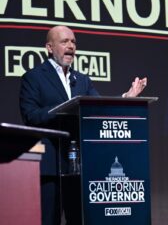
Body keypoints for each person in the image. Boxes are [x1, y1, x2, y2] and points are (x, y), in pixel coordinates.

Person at [19, 25, 147, 225]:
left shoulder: (82, 80)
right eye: (64, 42)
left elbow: (98, 108)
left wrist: (126, 97)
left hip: (79, 165)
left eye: (73, 42)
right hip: (51, 165)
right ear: (49, 47)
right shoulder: (34, 77)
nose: (71, 46)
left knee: (79, 219)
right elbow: (30, 115)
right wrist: (63, 109)